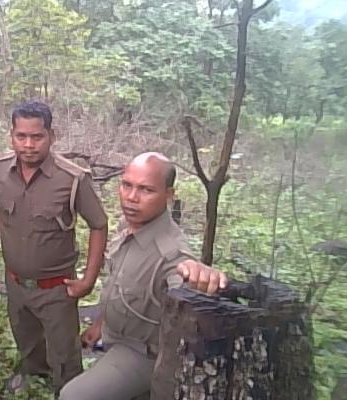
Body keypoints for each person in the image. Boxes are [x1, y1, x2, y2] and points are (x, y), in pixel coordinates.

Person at [59, 152, 229, 400]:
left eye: (146, 190)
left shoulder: (171, 253)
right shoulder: (130, 226)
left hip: (144, 352)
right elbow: (119, 284)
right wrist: (101, 324)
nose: (131, 197)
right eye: (126, 185)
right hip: (116, 336)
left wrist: (201, 279)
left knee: (72, 396)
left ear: (168, 195)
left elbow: (185, 277)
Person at [0, 100, 108, 395]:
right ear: (11, 135)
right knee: (27, 340)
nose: (28, 145)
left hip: (56, 289)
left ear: (52, 135)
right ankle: (34, 376)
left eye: (37, 137)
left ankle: (68, 390)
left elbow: (99, 224)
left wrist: (88, 279)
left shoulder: (72, 179)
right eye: (21, 136)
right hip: (15, 283)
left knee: (64, 354)